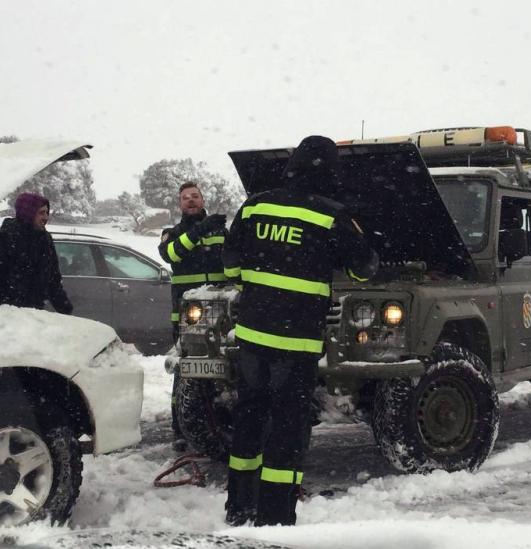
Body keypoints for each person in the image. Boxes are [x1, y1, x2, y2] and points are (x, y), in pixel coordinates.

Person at [222, 135, 379, 526]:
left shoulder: (255, 205)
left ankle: (239, 507)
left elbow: (230, 266)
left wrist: (260, 293)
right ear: (329, 170)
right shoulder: (331, 215)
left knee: (249, 418)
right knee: (288, 429)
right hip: (296, 342)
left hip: (252, 338)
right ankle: (274, 518)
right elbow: (363, 269)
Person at [157, 182, 228, 447]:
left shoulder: (221, 230)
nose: (190, 201)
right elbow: (171, 254)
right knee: (185, 371)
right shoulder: (172, 233)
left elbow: (235, 261)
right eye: (185, 198)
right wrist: (201, 230)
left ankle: (219, 418)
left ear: (203, 199)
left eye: (195, 196)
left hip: (223, 313)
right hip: (188, 317)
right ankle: (180, 426)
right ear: (180, 204)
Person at [0, 192, 73, 314]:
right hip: (7, 315)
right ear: (28, 213)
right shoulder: (3, 238)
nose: (46, 217)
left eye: (47, 212)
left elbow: (53, 280)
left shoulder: (45, 240)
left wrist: (65, 310)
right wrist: (6, 304)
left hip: (35, 314)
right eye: (41, 213)